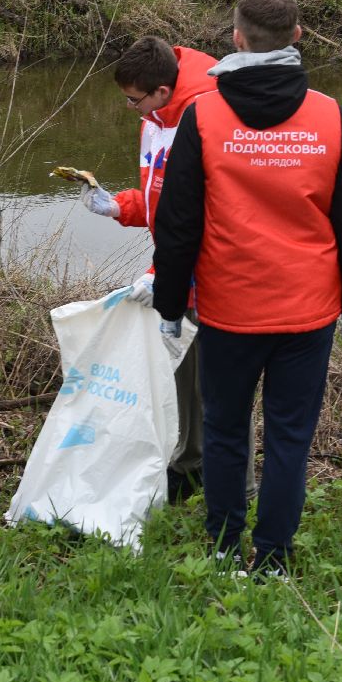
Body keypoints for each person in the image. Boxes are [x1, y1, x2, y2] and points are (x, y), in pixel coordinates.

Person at [151, 0, 342, 580]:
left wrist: (169, 306)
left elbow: (178, 225)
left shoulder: (203, 117)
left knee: (224, 434)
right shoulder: (331, 116)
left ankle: (226, 549)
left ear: (236, 40)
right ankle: (272, 558)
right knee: (289, 438)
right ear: (297, 38)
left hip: (229, 312)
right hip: (309, 312)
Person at [78, 35, 218, 501]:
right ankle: (188, 461)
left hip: (208, 273)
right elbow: (162, 201)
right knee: (182, 373)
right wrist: (117, 206)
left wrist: (164, 272)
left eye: (134, 99)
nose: (130, 108)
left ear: (161, 90)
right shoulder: (156, 120)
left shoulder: (206, 119)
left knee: (208, 380)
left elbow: (207, 214)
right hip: (177, 267)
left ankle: (211, 478)